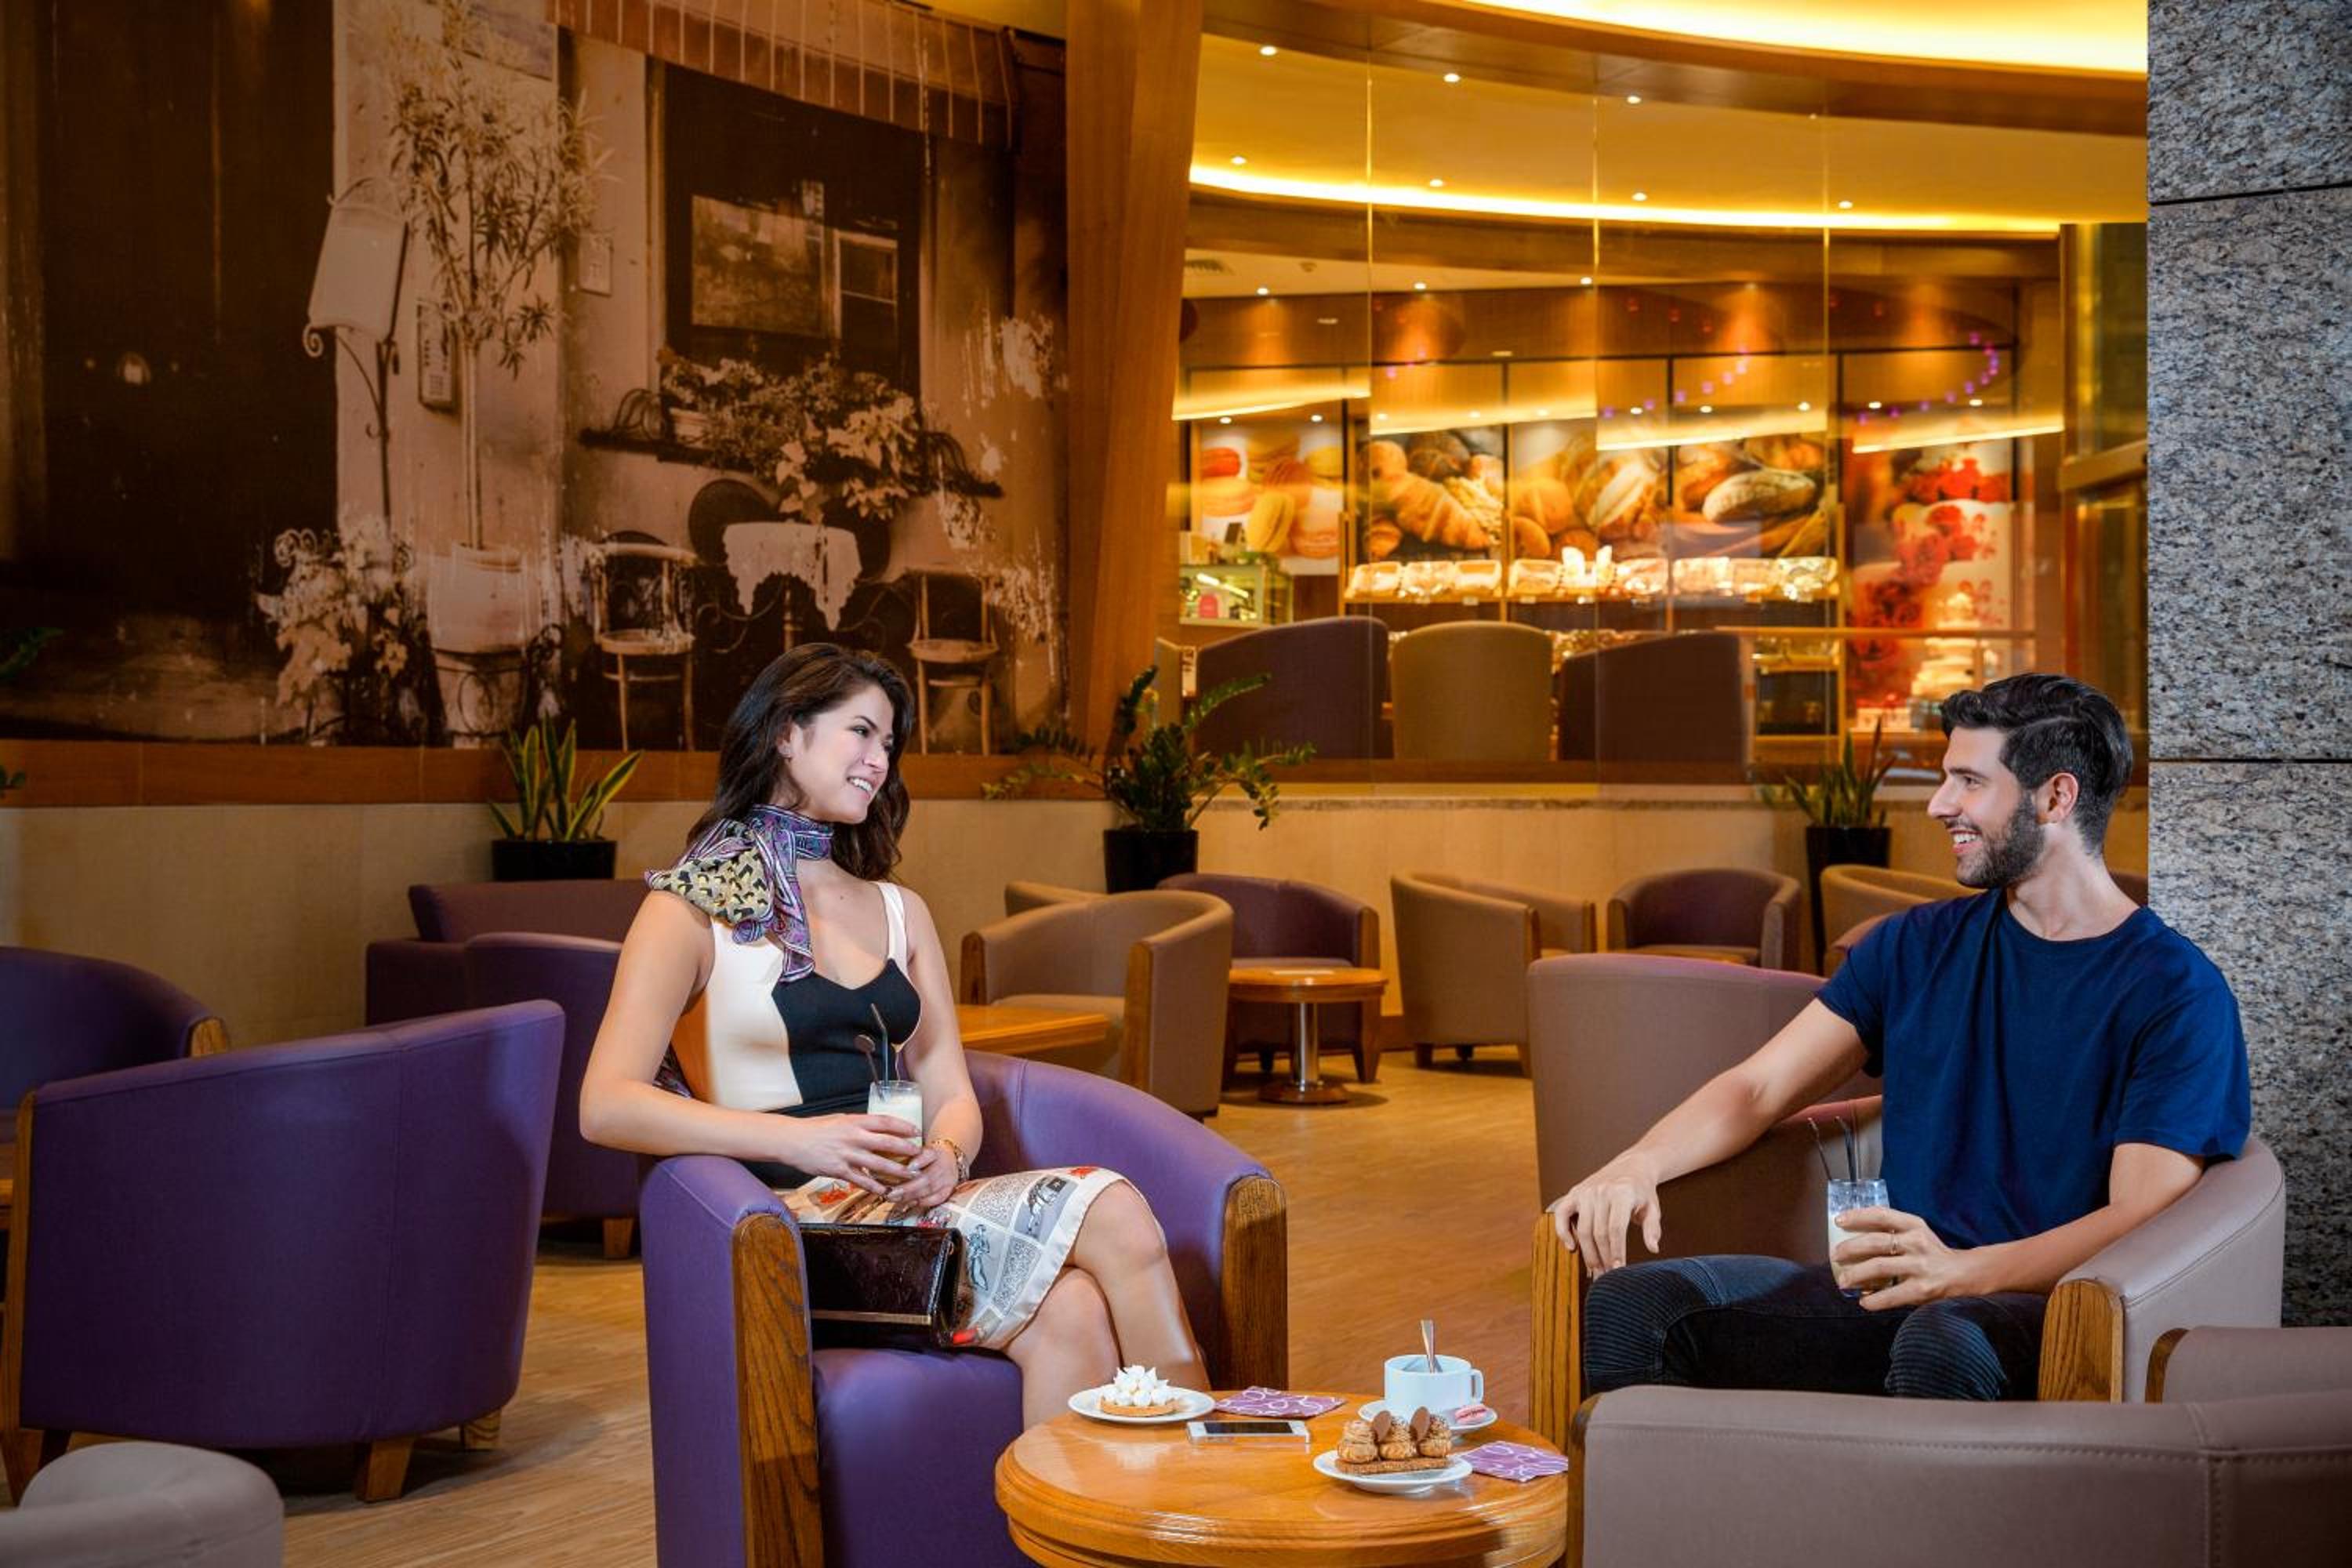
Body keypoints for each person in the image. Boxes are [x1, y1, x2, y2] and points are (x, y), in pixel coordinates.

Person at [1549, 673, 2250, 1400]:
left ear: (2055, 798)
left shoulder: (2174, 990)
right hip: (1898, 1292)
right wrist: (1637, 1164)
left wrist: (1963, 1273)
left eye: (1969, 782)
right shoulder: (1913, 947)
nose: (1939, 804)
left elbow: (2141, 1215)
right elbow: (1758, 1088)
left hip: (2046, 1309)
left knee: (1940, 1339)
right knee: (1635, 1307)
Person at [579, 643, 1207, 1426]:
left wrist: (947, 1155)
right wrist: (806, 1141)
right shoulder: (688, 908)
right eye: (861, 732)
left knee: (1073, 1310)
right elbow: (606, 1104)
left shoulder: (901, 909)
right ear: (785, 733)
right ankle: (1212, 1454)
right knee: (1110, 1205)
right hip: (784, 1231)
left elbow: (948, 1081)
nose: (880, 761)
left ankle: (1096, 1506)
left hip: (904, 1215)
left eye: (888, 743)